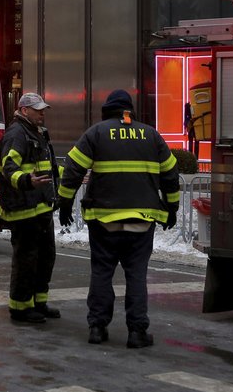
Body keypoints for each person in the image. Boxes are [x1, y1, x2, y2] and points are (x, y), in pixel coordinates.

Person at [58, 89, 179, 349]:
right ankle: (137, 332)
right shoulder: (151, 135)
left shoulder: (96, 133)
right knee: (136, 275)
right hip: (141, 220)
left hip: (104, 220)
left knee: (101, 272)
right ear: (130, 110)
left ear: (107, 110)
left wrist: (65, 202)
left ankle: (97, 328)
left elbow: (73, 169)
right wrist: (173, 206)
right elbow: (170, 172)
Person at [0, 92, 61, 324]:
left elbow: (45, 168)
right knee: (27, 260)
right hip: (24, 209)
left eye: (43, 109)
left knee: (45, 258)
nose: (42, 112)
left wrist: (66, 177)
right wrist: (26, 181)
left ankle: (39, 303)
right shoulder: (17, 134)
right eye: (38, 109)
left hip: (41, 208)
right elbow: (8, 166)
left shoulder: (36, 133)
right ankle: (20, 308)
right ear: (24, 111)